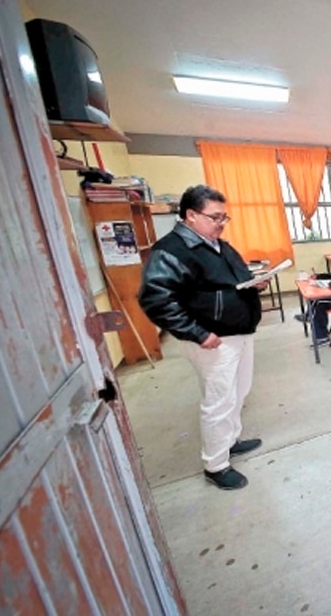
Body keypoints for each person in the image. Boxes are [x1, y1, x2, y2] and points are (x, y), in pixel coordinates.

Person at [138, 185, 265, 491]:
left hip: (238, 331)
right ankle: (216, 464)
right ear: (191, 215)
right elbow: (155, 298)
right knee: (218, 401)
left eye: (225, 217)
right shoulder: (172, 250)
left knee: (239, 391)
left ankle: (230, 441)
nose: (221, 223)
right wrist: (196, 332)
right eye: (215, 217)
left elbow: (232, 280)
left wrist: (252, 284)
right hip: (213, 338)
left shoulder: (217, 244)